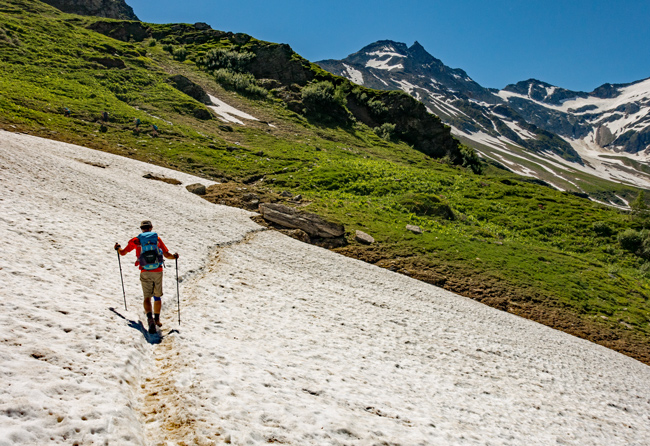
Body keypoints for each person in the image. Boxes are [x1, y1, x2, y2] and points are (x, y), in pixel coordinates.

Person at [114, 220, 178, 334]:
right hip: (158, 271)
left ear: (141, 228)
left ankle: (150, 320)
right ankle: (157, 319)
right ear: (151, 228)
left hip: (145, 271)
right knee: (157, 296)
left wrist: (118, 248)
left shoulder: (136, 240)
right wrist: (175, 257)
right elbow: (167, 255)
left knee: (147, 297)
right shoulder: (156, 240)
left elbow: (123, 252)